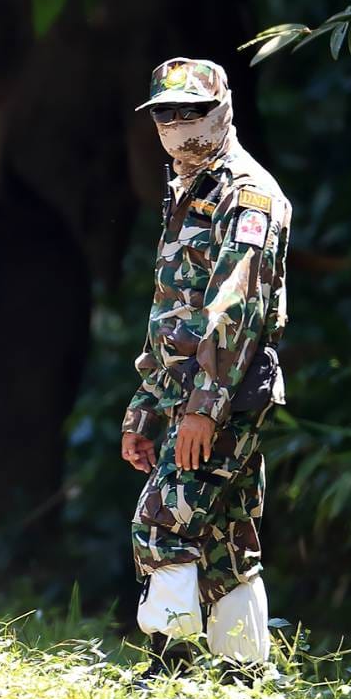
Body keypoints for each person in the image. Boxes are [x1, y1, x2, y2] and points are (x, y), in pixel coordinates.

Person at [119, 57, 291, 666]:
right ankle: (242, 676)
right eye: (165, 113)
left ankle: (170, 665)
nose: (177, 124)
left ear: (223, 110)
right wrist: (144, 406)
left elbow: (234, 311)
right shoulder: (189, 188)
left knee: (163, 520)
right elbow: (173, 311)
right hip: (188, 392)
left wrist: (202, 412)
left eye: (192, 111)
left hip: (228, 393)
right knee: (227, 539)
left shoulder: (247, 195)